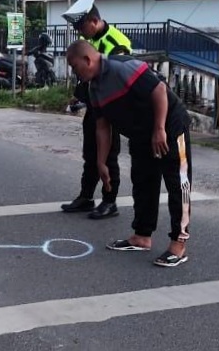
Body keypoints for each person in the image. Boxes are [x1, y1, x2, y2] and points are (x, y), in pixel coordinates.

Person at [67, 40, 192, 267]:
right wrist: (101, 162)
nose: (74, 72)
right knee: (143, 182)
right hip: (141, 134)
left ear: (88, 60)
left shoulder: (122, 67)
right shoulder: (93, 88)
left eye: (75, 67)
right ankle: (142, 236)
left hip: (169, 126)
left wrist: (159, 129)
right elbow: (103, 127)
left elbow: (159, 90)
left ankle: (178, 244)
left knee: (177, 183)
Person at [59, 0, 133, 220]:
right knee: (90, 154)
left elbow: (112, 80)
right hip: (94, 105)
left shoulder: (117, 44)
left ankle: (109, 201)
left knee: (108, 155)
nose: (80, 32)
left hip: (111, 107)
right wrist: (77, 95)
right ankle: (86, 197)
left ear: (94, 21)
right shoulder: (90, 41)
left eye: (82, 27)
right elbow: (85, 74)